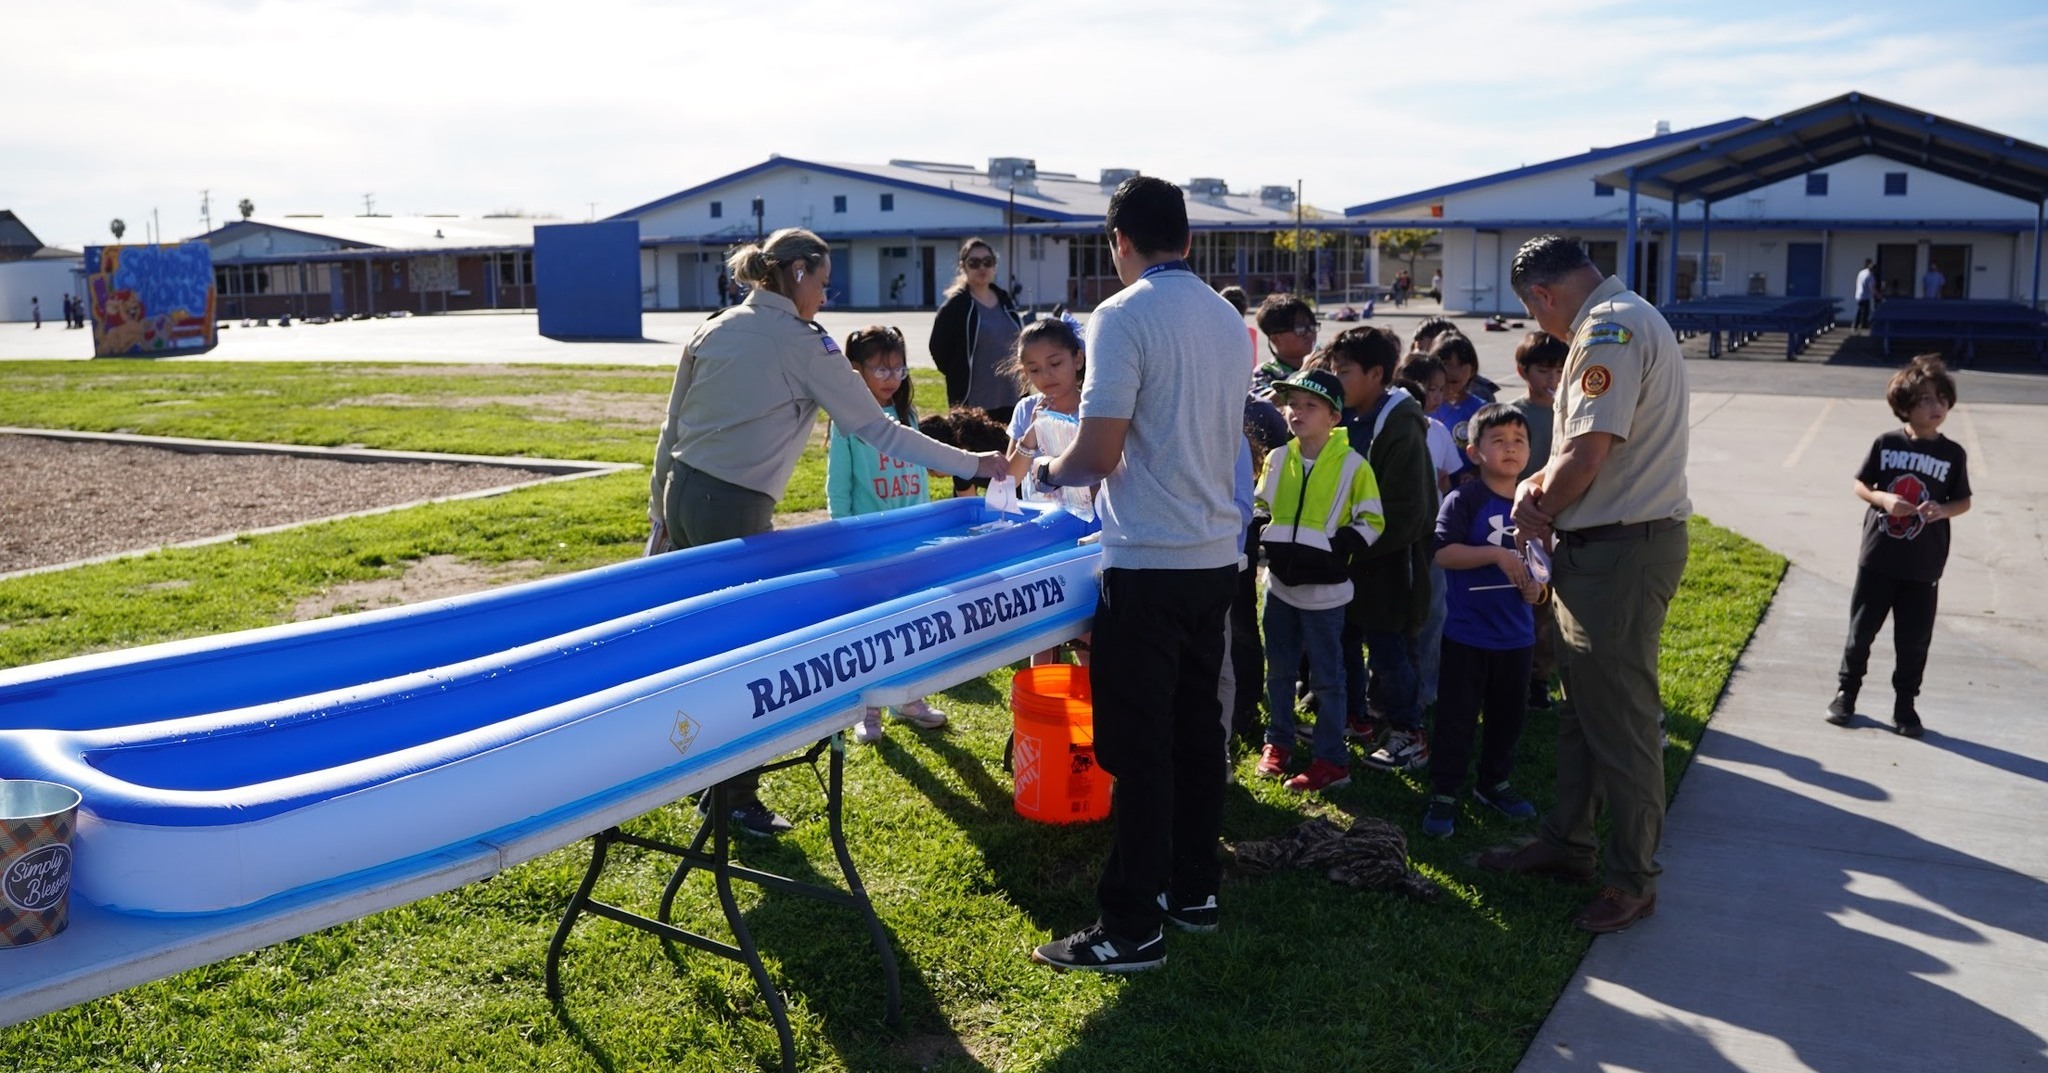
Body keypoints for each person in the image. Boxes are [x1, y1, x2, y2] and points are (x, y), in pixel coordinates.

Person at [650, 228, 1005, 836]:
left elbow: (670, 425)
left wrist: (659, 510)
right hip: (730, 506)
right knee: (744, 653)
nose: (825, 291)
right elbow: (880, 430)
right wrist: (976, 464)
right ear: (795, 273)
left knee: (702, 647)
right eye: (821, 279)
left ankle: (709, 782)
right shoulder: (802, 343)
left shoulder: (717, 324)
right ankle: (732, 797)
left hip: (683, 491)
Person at [1028, 176, 1244, 973]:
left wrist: (1047, 471)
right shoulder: (1227, 315)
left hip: (1148, 560)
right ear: (1185, 238)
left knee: (1137, 747)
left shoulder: (1122, 314)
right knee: (1195, 733)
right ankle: (1193, 890)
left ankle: (1130, 926)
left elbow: (1098, 454)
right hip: (1213, 554)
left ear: (1118, 240)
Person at [1483, 234, 1690, 936]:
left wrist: (1535, 509)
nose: (1543, 326)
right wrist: (1543, 491)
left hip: (1619, 550)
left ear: (1543, 295)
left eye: (1536, 312)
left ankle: (1633, 879)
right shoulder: (1626, 314)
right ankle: (1568, 841)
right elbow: (1580, 450)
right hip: (1609, 544)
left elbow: (1586, 451)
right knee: (1586, 710)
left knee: (1623, 721)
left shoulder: (1607, 328)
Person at [1306, 327, 1437, 773]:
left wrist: (1348, 543)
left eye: (1344, 372)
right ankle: (1355, 718)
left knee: (1391, 654)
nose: (1335, 380)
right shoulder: (1348, 418)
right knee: (1345, 644)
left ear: (1377, 374)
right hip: (1346, 566)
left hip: (1389, 570)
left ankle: (1408, 732)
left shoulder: (1400, 426)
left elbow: (1410, 512)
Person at [1251, 368, 1385, 793]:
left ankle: (1332, 760)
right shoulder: (1277, 458)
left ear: (1334, 416)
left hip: (1326, 595)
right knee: (1280, 672)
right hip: (1280, 588)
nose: (1297, 412)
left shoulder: (1353, 465)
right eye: (1292, 404)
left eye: (1310, 405)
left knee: (1328, 679)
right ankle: (1279, 744)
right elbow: (1261, 505)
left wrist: (1337, 547)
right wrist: (1260, 530)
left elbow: (1372, 521)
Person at [1826, 354, 1971, 738]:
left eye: (1941, 397)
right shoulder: (1885, 444)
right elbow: (1861, 484)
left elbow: (1964, 501)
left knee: (1913, 642)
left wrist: (1941, 509)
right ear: (1905, 406)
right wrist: (1884, 500)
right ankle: (1846, 692)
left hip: (1923, 566)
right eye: (1925, 399)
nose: (1936, 405)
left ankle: (1905, 706)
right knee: (1861, 633)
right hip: (1878, 559)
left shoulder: (1952, 454)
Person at [1423, 403, 1547, 838]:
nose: (1510, 448)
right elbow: (1442, 553)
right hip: (1467, 637)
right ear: (1475, 452)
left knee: (1507, 718)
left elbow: (1544, 566)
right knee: (1457, 716)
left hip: (1516, 638)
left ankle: (1494, 783)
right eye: (1499, 440)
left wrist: (1537, 589)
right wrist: (1496, 554)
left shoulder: (1537, 504)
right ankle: (1444, 791)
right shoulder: (1465, 499)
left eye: (1519, 440)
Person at [825, 325, 952, 744]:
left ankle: (909, 698)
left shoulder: (908, 417)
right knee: (873, 627)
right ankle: (869, 709)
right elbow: (838, 486)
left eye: (898, 368)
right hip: (868, 546)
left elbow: (918, 474)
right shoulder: (847, 423)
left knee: (911, 621)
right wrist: (843, 536)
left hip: (912, 542)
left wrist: (927, 524)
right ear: (855, 370)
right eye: (880, 369)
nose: (891, 377)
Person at [1394, 351, 1459, 722]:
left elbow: (1447, 482)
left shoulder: (1439, 432)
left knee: (1433, 612)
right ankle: (1387, 687)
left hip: (1431, 538)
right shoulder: (1388, 427)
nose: (1433, 397)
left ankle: (1426, 689)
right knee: (1394, 616)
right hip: (1396, 538)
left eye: (1438, 389)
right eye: (1426, 389)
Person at [1510, 331, 1569, 712]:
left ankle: (1542, 678)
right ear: (1522, 370)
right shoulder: (1513, 414)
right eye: (1543, 369)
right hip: (1523, 523)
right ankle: (1521, 676)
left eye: (1559, 370)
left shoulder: (1571, 410)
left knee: (1551, 607)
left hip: (1563, 522)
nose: (1552, 378)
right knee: (1528, 600)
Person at [929, 237, 1024, 424]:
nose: (982, 268)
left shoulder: (1005, 300)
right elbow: (938, 350)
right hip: (974, 404)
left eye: (987, 262)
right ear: (963, 267)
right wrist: (959, 372)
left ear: (994, 266)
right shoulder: (956, 306)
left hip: (1012, 398)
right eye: (974, 263)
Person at [1429, 331, 1492, 486]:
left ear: (1473, 369)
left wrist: (1474, 473)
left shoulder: (1482, 410)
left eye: (1461, 364)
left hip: (1464, 495)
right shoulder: (1422, 406)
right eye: (1446, 363)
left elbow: (1490, 458)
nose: (1453, 371)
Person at [1252, 293, 1318, 396]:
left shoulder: (1323, 366)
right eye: (1300, 329)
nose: (1309, 333)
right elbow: (1263, 405)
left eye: (1312, 326)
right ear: (1275, 339)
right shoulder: (1265, 373)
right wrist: (1303, 373)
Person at [1853, 258, 1876, 331]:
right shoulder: (1869, 275)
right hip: (1865, 296)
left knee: (1859, 311)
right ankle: (1863, 326)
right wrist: (1877, 295)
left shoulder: (1861, 273)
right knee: (1865, 312)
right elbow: (1871, 287)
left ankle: (1856, 325)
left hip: (1859, 295)